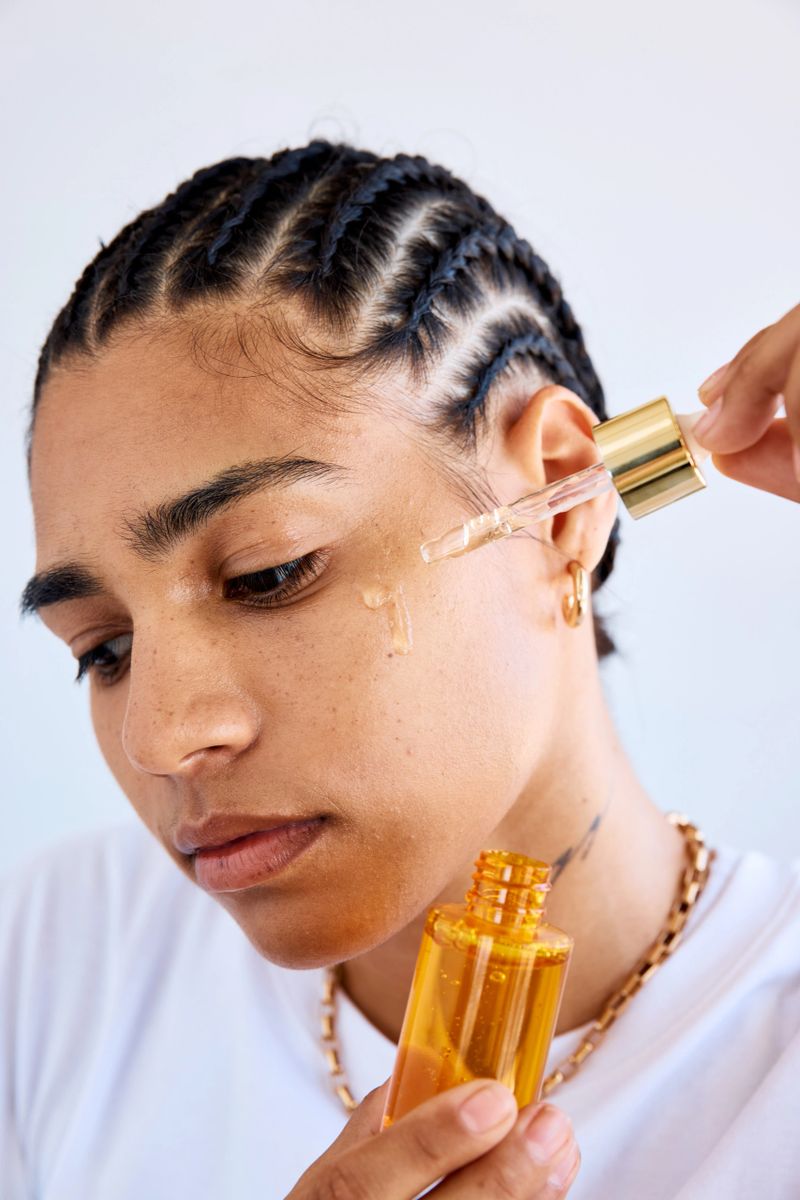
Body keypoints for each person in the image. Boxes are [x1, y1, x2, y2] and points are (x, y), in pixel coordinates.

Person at [1, 139, 798, 1200]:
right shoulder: (59, 964)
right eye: (103, 650)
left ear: (558, 499)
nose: (159, 736)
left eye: (267, 575)